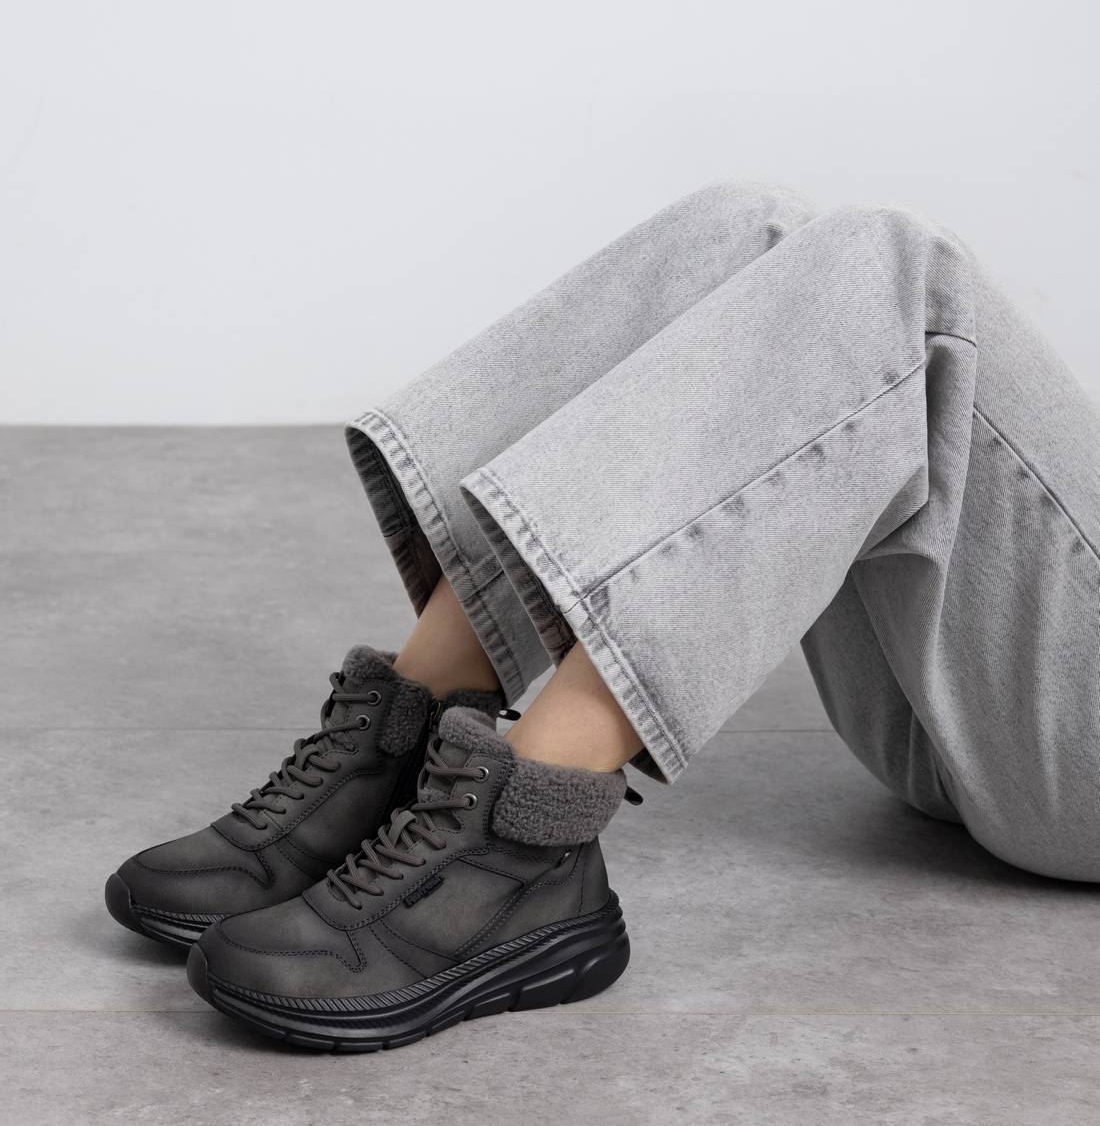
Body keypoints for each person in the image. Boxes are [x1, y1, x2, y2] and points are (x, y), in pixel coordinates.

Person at [105, 180, 1100, 1051]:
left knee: (893, 268)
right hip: (974, 717)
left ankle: (524, 833)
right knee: (745, 230)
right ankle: (410, 729)